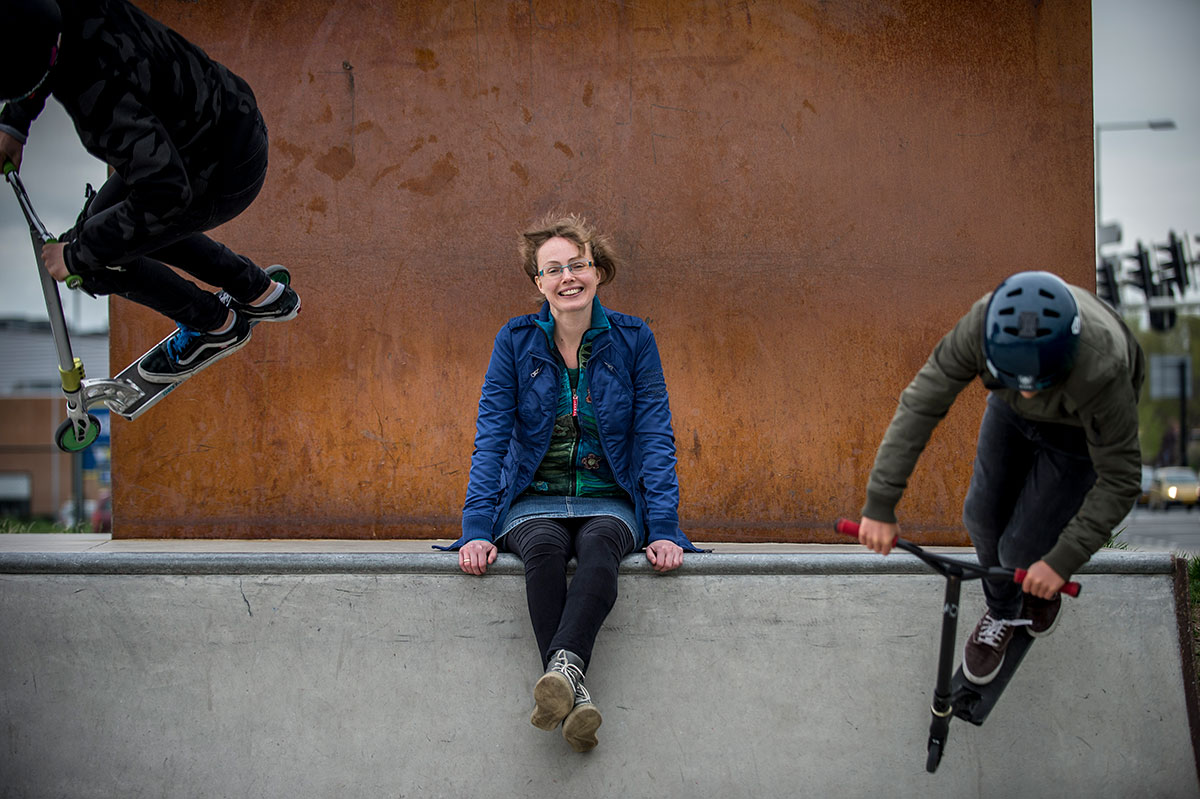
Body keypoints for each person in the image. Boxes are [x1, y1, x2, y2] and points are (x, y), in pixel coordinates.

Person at [440, 212, 703, 752]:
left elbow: (655, 436)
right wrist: (474, 529)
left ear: (598, 271)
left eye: (577, 264)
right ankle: (575, 693)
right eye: (553, 269)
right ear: (538, 283)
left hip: (611, 497)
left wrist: (665, 529)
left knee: (601, 546)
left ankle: (564, 680)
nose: (568, 277)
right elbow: (490, 436)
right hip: (532, 498)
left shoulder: (634, 339)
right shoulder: (514, 341)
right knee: (544, 550)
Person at [856, 271, 1143, 685]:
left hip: (1078, 428)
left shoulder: (1105, 368)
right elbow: (921, 403)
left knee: (1021, 547)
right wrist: (880, 503)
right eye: (1017, 380)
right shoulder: (981, 328)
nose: (1029, 394)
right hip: (1007, 414)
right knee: (981, 518)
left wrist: (1061, 561)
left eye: (1038, 384)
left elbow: (1121, 478)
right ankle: (1005, 612)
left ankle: (1036, 582)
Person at [0, 0, 299, 383]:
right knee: (115, 229)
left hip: (220, 176)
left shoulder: (98, 97)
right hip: (223, 119)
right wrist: (16, 124)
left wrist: (75, 256)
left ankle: (215, 326)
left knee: (99, 258)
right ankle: (259, 292)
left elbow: (164, 196)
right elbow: (39, 37)